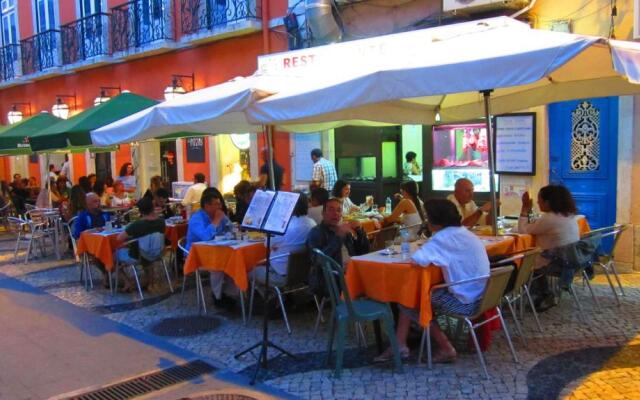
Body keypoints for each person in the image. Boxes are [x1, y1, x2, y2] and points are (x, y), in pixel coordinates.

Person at [375, 199, 490, 363]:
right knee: (412, 294)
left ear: (436, 221)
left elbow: (417, 259)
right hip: (483, 295)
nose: (426, 221)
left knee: (412, 299)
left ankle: (446, 347)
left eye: (428, 217)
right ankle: (400, 344)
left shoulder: (442, 238)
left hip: (466, 301)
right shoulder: (465, 232)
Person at [518, 185, 580, 309]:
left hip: (554, 261)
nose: (537, 202)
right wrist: (529, 212)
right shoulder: (569, 215)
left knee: (521, 261)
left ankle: (541, 294)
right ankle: (544, 293)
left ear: (547, 202)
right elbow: (533, 226)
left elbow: (523, 230)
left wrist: (525, 208)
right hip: (570, 260)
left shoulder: (549, 218)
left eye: (539, 200)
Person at [249, 193, 316, 287]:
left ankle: (270, 297)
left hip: (281, 274)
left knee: (250, 271)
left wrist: (276, 246)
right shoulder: (312, 224)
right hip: (304, 273)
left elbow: (266, 244)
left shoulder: (282, 227)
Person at [185, 187, 233, 308]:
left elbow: (230, 228)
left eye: (220, 203)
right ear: (207, 205)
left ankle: (229, 294)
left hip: (217, 251)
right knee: (217, 266)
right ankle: (217, 297)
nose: (219, 206)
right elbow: (205, 237)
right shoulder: (197, 219)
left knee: (233, 262)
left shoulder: (219, 214)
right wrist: (216, 221)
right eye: (216, 204)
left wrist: (226, 224)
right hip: (196, 255)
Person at [116, 196, 166, 289]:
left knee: (113, 253)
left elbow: (119, 238)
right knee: (143, 248)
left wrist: (130, 237)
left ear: (140, 211)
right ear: (152, 208)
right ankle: (147, 279)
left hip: (138, 256)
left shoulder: (137, 225)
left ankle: (127, 282)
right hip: (157, 253)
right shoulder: (161, 222)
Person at [307, 197, 370, 269]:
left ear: (341, 215)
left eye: (339, 210)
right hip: (331, 277)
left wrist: (360, 231)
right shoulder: (316, 232)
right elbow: (317, 261)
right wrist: (338, 237)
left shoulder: (344, 230)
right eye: (331, 210)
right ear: (323, 213)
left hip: (352, 271)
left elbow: (363, 252)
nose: (335, 213)